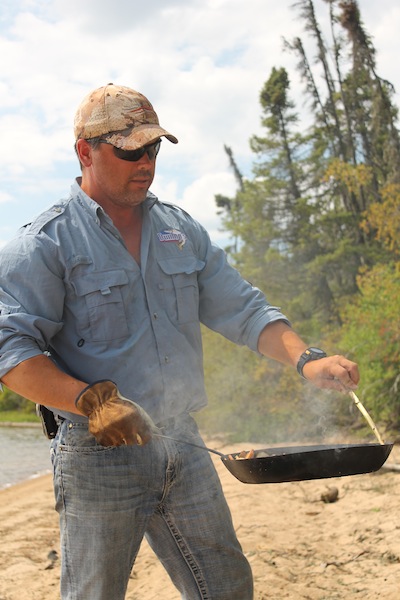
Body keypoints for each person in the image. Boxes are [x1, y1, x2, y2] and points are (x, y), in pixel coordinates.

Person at [0, 83, 359, 600]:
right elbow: (12, 351)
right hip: (98, 450)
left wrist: (306, 360)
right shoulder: (44, 242)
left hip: (182, 443)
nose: (145, 162)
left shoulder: (180, 231)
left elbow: (244, 308)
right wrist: (89, 401)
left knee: (227, 587)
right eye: (129, 150)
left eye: (153, 148)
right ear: (85, 151)